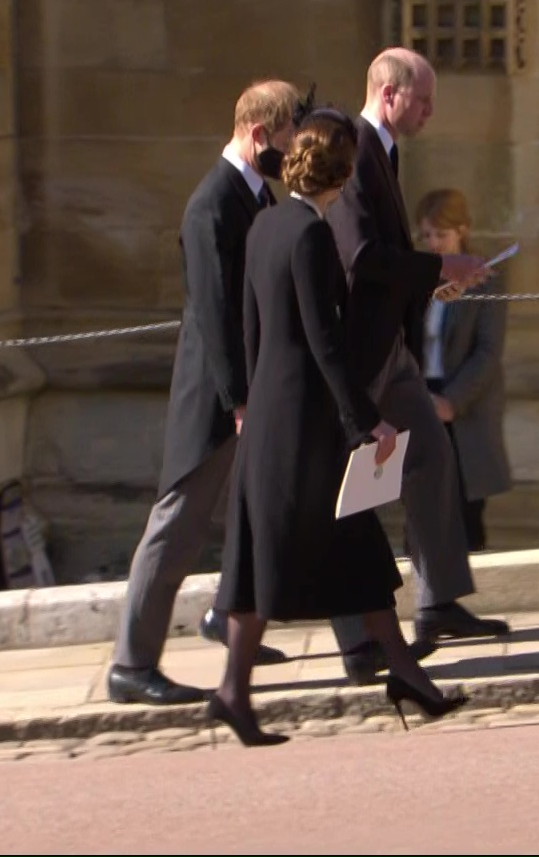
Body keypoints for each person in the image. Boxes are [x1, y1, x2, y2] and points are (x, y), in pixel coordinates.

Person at [209, 110, 469, 746]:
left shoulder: (267, 223)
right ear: (342, 172)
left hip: (271, 413)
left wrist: (245, 404)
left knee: (303, 549)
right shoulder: (309, 237)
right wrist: (365, 420)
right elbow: (324, 341)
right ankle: (239, 691)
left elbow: (251, 328)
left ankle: (244, 692)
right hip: (304, 419)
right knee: (327, 542)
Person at [107, 80, 299, 707]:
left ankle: (227, 615)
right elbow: (215, 316)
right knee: (177, 528)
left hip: (247, 391)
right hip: (216, 399)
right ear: (259, 136)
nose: (293, 156)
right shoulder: (211, 205)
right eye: (288, 141)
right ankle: (132, 663)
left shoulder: (254, 196)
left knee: (253, 514)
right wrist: (240, 400)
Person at [324, 48, 508, 685]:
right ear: (389, 93)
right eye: (423, 100)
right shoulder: (351, 149)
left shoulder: (388, 151)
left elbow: (389, 263)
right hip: (362, 356)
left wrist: (435, 286)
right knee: (361, 494)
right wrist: (438, 269)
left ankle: (438, 603)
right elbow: (362, 256)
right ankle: (360, 638)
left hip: (391, 347)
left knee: (432, 453)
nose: (430, 112)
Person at [415, 189, 514, 553]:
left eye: (441, 235)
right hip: (423, 395)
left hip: (464, 403)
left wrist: (452, 402)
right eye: (426, 236)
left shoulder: (486, 278)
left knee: (466, 509)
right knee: (423, 505)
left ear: (463, 230)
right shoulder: (420, 277)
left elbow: (488, 352)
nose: (434, 243)